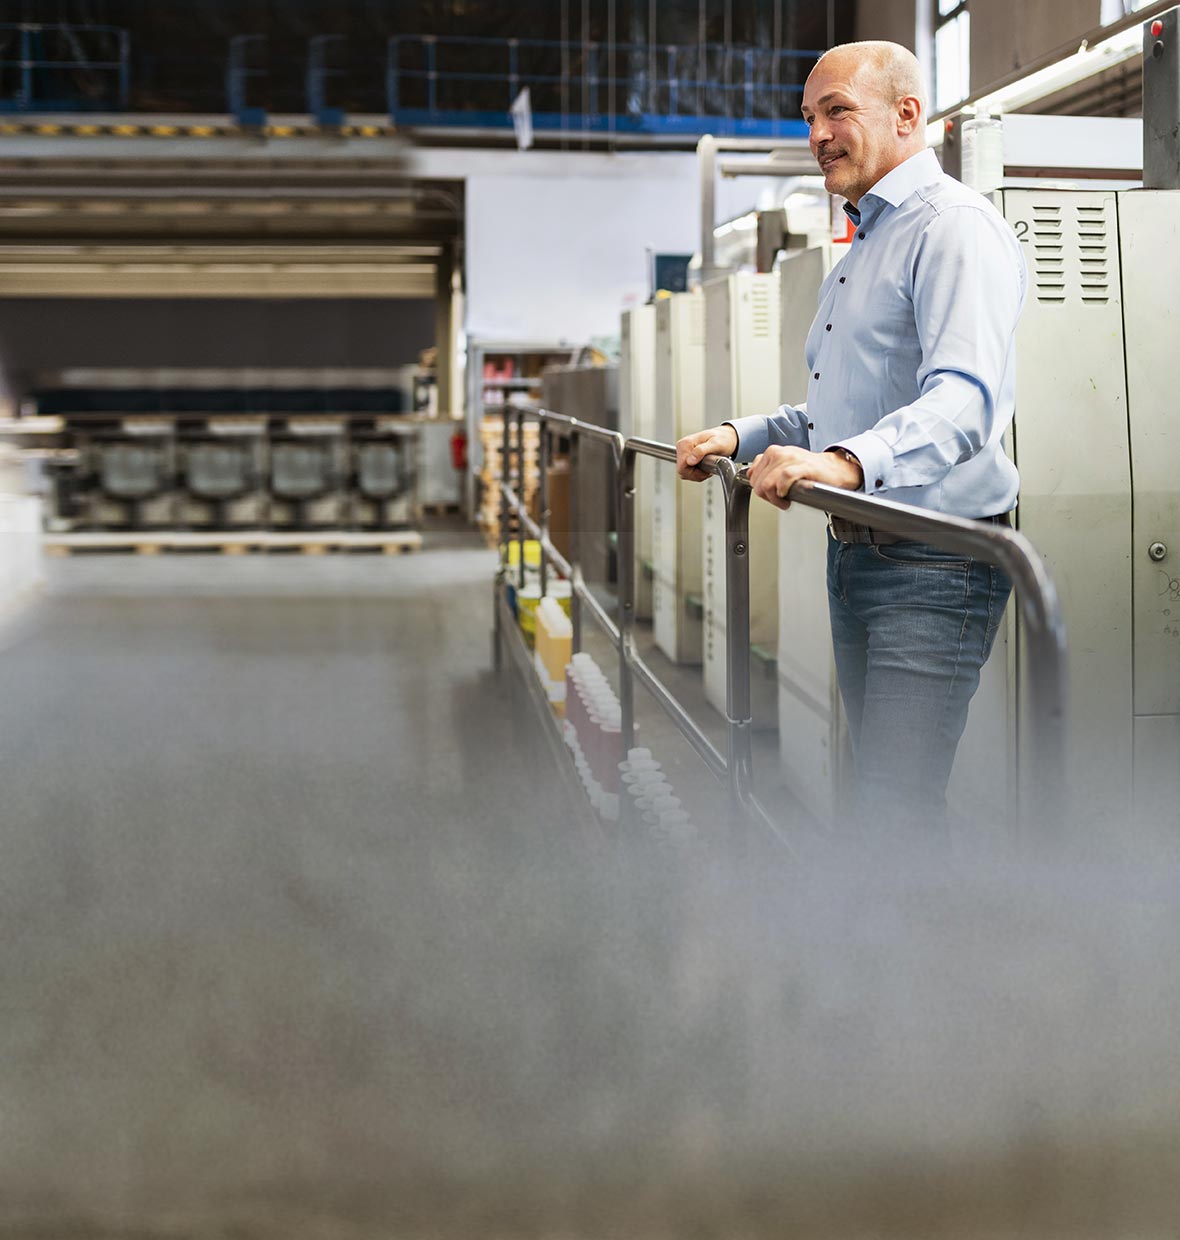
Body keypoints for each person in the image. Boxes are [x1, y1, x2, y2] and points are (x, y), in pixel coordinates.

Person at [676, 40, 1026, 835]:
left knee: (894, 804)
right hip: (862, 552)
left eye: (837, 110)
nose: (818, 134)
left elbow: (964, 402)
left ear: (908, 115)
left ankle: (903, 957)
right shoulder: (865, 244)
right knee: (875, 787)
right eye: (809, 117)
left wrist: (841, 463)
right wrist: (740, 435)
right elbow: (835, 415)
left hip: (936, 561)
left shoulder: (954, 231)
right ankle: (875, 947)